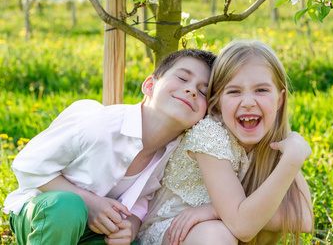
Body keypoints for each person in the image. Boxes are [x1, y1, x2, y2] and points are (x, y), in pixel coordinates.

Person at [1, 49, 216, 245]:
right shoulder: (99, 125)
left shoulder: (173, 152)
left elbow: (143, 195)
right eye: (182, 78)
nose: (191, 90)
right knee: (68, 207)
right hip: (43, 213)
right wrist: (89, 203)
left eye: (203, 91)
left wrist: (132, 223)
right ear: (149, 85)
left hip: (94, 230)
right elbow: (28, 164)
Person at [137, 40, 313, 245]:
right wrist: (292, 160)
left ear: (280, 100)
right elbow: (243, 227)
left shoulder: (274, 140)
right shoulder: (209, 134)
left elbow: (303, 218)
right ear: (218, 101)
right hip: (173, 230)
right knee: (218, 234)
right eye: (234, 91)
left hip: (218, 229)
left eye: (261, 90)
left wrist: (214, 211)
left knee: (247, 227)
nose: (248, 102)